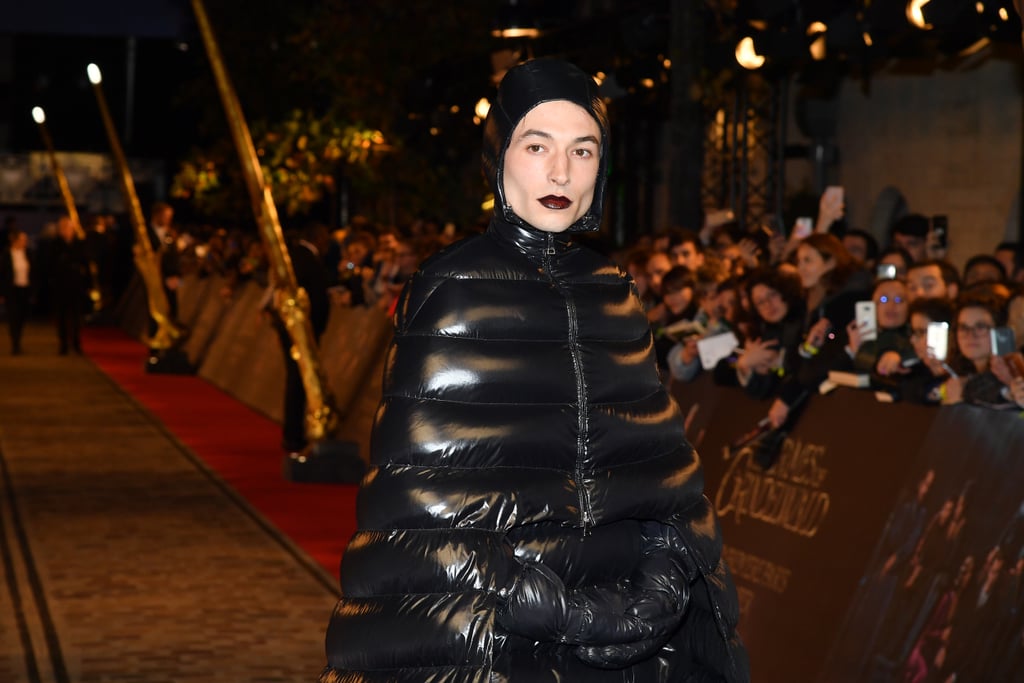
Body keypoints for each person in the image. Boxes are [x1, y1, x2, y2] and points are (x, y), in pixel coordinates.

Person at [320, 58, 747, 682]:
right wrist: (557, 611)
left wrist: (654, 594)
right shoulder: (450, 288)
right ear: (500, 158)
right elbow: (419, 505)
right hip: (502, 641)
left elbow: (667, 479)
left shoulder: (616, 292)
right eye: (536, 145)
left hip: (636, 645)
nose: (560, 172)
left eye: (583, 150)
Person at [273, 223, 331, 456]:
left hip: (293, 329)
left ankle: (292, 433)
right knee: (299, 379)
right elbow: (316, 299)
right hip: (303, 331)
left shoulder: (294, 257)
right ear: (318, 238)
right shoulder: (307, 260)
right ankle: (293, 435)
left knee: (296, 379)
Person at [49, 216, 89, 354]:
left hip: (76, 286)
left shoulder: (79, 244)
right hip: (60, 286)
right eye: (64, 227)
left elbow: (85, 264)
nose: (66, 230)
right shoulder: (54, 245)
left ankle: (77, 342)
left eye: (69, 227)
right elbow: (49, 266)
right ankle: (63, 343)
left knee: (76, 316)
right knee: (61, 316)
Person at [1, 228, 33, 354]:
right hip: (12, 291)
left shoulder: (28, 253)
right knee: (13, 317)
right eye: (22, 239)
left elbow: (34, 272)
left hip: (24, 290)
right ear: (15, 241)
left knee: (21, 317)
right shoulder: (6, 254)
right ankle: (15, 344)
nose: (24, 242)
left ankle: (18, 339)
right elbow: (2, 274)